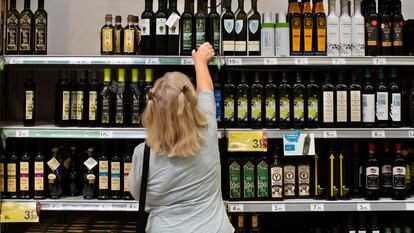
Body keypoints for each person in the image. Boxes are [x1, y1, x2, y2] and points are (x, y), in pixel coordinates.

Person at [127, 42, 234, 233]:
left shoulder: (142, 154)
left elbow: (138, 194)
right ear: (190, 102)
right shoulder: (207, 131)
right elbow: (206, 90)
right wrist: (200, 61)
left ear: (152, 111)